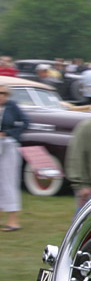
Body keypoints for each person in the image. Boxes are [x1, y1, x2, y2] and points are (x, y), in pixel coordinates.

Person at [0, 85, 29, 231]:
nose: (2, 96)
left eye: (4, 93)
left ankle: (13, 220)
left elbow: (25, 122)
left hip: (8, 146)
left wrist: (8, 133)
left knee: (9, 181)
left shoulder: (12, 106)